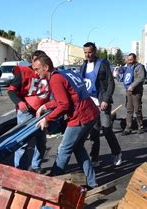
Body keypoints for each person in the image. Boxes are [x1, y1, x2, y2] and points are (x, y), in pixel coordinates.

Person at [34, 54, 99, 188]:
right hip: (91, 112)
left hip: (80, 116)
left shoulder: (55, 80)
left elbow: (64, 105)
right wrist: (45, 106)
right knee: (78, 147)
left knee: (64, 149)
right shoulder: (63, 73)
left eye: (37, 69)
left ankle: (53, 184)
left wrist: (47, 119)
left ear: (45, 67)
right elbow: (63, 98)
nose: (36, 72)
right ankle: (92, 182)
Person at [80, 42, 122, 167]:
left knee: (107, 129)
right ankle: (94, 158)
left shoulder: (102, 64)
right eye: (85, 52)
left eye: (90, 52)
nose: (88, 55)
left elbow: (110, 83)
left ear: (95, 51)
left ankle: (117, 152)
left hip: (102, 102)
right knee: (94, 132)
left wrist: (106, 100)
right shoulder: (83, 66)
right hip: (89, 104)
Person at [8, 50, 50, 173]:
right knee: (22, 143)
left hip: (41, 112)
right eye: (35, 60)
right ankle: (20, 169)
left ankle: (36, 166)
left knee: (41, 141)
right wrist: (19, 102)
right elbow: (11, 90)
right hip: (26, 111)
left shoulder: (46, 72)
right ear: (32, 60)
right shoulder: (23, 72)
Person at [122, 53, 146, 135]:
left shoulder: (139, 67)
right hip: (128, 91)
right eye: (128, 59)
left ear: (134, 59)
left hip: (136, 91)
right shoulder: (128, 67)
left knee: (137, 109)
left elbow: (141, 77)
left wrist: (132, 86)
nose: (129, 61)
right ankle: (128, 128)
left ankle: (140, 127)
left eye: (131, 59)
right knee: (129, 110)